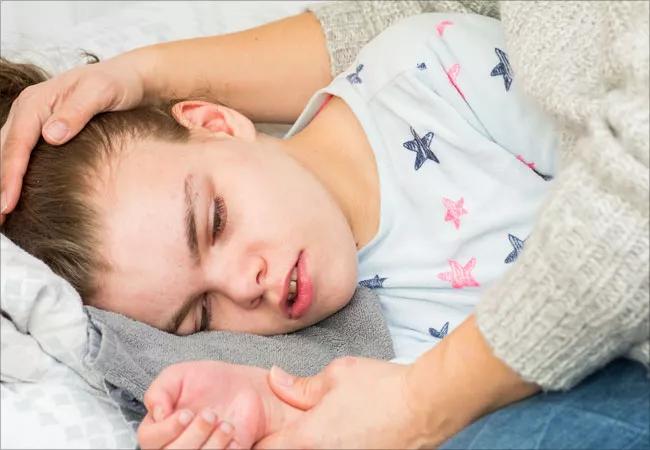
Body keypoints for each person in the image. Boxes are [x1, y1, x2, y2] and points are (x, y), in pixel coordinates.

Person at [1, 1, 647, 448]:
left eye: (216, 221)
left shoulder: (428, 79)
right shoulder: (337, 336)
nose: (245, 284)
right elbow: (433, 403)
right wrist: (270, 411)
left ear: (218, 123)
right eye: (200, 315)